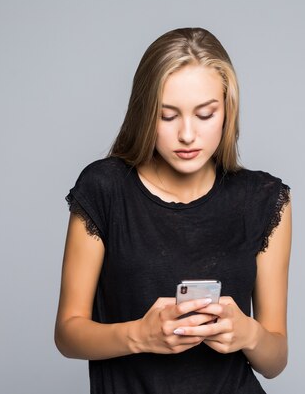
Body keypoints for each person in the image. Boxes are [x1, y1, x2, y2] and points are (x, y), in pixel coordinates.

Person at [54, 27, 292, 394]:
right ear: (144, 113)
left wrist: (248, 333)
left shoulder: (263, 198)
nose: (187, 135)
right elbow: (68, 333)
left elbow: (275, 360)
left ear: (228, 110)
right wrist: (140, 335)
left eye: (205, 114)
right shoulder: (104, 188)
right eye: (167, 116)